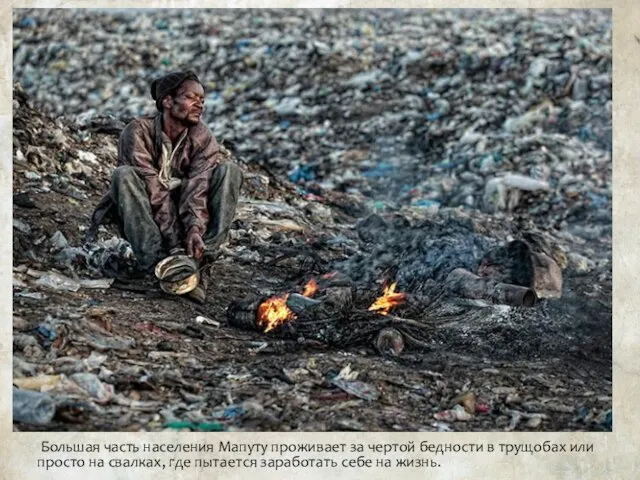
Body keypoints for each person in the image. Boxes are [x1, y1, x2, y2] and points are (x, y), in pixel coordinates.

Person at [89, 70, 243, 301]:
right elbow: (153, 189)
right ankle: (155, 266)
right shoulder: (138, 131)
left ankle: (200, 262)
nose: (199, 105)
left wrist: (194, 230)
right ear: (168, 101)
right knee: (124, 175)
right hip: (145, 218)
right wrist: (172, 246)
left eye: (202, 100)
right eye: (192, 98)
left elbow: (197, 188)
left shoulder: (202, 136)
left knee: (229, 171)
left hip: (183, 217)